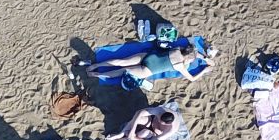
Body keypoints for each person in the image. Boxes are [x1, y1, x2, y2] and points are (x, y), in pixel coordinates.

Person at [78, 43, 207, 85]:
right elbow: (192, 79)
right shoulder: (180, 65)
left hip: (148, 57)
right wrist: (204, 71)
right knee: (121, 71)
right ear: (188, 58)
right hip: (148, 69)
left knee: (121, 61)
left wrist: (202, 56)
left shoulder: (178, 48)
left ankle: (94, 66)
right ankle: (94, 75)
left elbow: (191, 52)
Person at [108, 107, 179, 140]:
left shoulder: (170, 130)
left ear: (166, 124)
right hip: (150, 122)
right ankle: (120, 134)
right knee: (139, 119)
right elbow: (139, 112)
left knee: (143, 134)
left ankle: (125, 138)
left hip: (153, 133)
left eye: (160, 121)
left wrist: (130, 139)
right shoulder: (161, 111)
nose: (159, 119)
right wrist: (132, 130)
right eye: (159, 117)